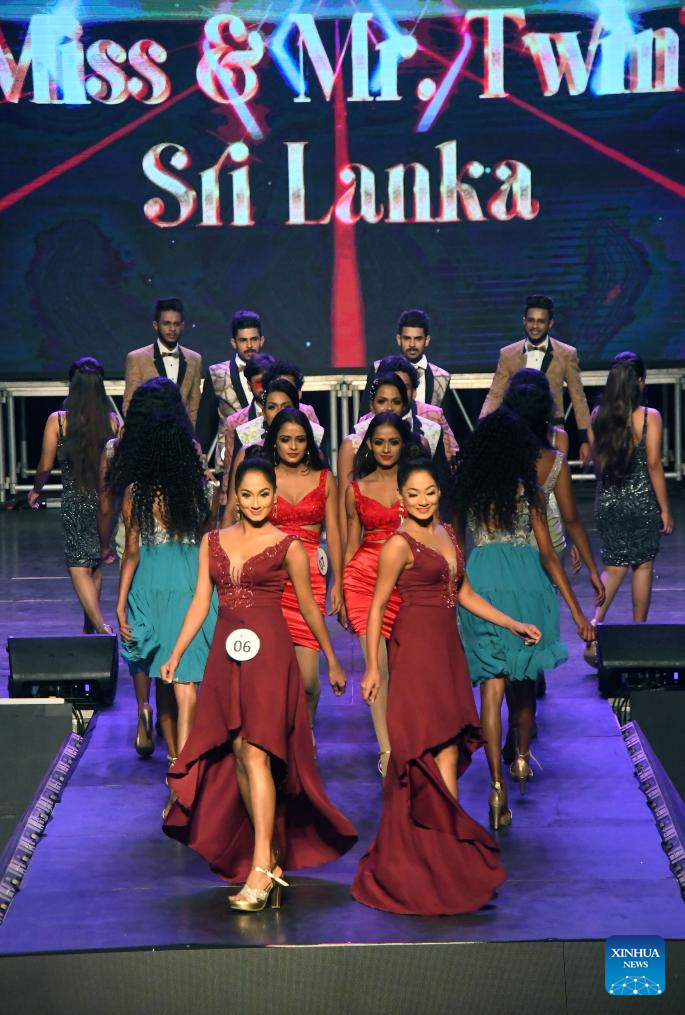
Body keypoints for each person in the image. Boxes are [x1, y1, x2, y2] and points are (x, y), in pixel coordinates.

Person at [161, 453, 357, 911]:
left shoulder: (289, 546)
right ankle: (268, 854)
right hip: (225, 658)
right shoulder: (212, 541)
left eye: (263, 494)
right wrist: (176, 653)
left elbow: (308, 607)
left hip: (270, 657)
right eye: (247, 494)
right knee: (237, 751)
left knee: (256, 751)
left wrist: (331, 659)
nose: (254, 502)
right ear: (235, 495)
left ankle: (262, 867)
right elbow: (200, 602)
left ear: (274, 497)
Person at [352, 454, 541, 914]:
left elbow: (465, 593)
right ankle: (428, 862)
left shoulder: (449, 535)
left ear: (440, 493)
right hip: (414, 654)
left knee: (450, 751)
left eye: (430, 492)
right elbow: (376, 608)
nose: (422, 500)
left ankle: (448, 858)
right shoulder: (397, 545)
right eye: (413, 493)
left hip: (447, 654)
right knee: (424, 748)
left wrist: (512, 622)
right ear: (401, 497)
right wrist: (373, 668)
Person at [453, 410, 594, 823]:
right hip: (527, 583)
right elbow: (548, 554)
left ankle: (496, 787)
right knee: (525, 684)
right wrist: (576, 609)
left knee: (491, 689)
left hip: (482, 581)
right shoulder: (527, 490)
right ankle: (520, 757)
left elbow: (455, 548)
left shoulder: (469, 489)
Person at [108, 378, 216, 802]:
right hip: (191, 580)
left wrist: (120, 604)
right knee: (187, 680)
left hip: (151, 582)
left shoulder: (136, 491)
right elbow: (208, 538)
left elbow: (132, 550)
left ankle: (175, 763)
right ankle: (188, 768)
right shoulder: (200, 487)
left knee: (162, 680)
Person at [342, 412, 418, 776]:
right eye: (379, 442)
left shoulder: (416, 484)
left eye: (393, 442)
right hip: (364, 581)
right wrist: (343, 593)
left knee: (408, 669)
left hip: (407, 578)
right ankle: (387, 752)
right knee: (379, 666)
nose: (386, 449)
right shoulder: (355, 489)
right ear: (369, 446)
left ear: (404, 445)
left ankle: (408, 740)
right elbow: (350, 542)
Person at [586, 353, 674, 656]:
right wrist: (665, 509)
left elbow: (599, 464)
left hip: (608, 500)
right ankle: (639, 634)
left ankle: (594, 625)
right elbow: (653, 464)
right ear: (639, 382)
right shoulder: (650, 416)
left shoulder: (598, 415)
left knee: (613, 568)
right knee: (643, 566)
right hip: (641, 502)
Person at [260, 409, 342, 727]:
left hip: (310, 578)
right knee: (273, 675)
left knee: (308, 680)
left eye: (299, 439)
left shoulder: (324, 479)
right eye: (285, 440)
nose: (293, 446)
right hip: (272, 577)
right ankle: (285, 739)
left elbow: (334, 533)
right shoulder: (264, 478)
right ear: (274, 442)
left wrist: (338, 582)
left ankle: (305, 733)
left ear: (309, 441)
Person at [28, 357, 119, 633]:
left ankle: (100, 626)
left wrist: (36, 490)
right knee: (94, 564)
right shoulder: (113, 422)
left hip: (76, 501)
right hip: (105, 501)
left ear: (72, 385)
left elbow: (45, 466)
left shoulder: (59, 421)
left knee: (78, 566)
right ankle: (89, 630)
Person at [480, 295, 592, 465]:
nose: (535, 326)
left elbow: (578, 397)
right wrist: (482, 428)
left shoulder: (566, 354)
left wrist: (585, 439)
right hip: (517, 430)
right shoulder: (508, 354)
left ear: (550, 323)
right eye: (531, 320)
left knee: (553, 477)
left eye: (541, 321)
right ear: (524, 321)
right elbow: (495, 395)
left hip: (552, 431)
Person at [225, 378, 324, 519]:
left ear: (297, 410)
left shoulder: (311, 451)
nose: (279, 412)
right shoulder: (248, 451)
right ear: (264, 413)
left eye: (285, 406)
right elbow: (231, 508)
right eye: (272, 407)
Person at [360, 309, 460, 433]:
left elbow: (445, 426)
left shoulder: (440, 377)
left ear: (427, 340)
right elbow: (364, 416)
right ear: (399, 339)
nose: (412, 344)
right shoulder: (378, 369)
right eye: (407, 338)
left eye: (418, 339)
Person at [358, 355, 458, 459]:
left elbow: (451, 458)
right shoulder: (361, 429)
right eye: (392, 386)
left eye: (404, 387)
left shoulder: (433, 425)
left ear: (414, 392)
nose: (397, 393)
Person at [195, 309, 266, 457]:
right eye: (243, 340)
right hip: (228, 457)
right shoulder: (217, 374)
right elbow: (205, 428)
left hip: (267, 456)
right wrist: (201, 463)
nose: (249, 345)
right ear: (234, 343)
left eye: (254, 339)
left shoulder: (274, 372)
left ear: (262, 340)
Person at [122, 298, 202, 425]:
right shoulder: (137, 358)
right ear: (156, 325)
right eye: (166, 324)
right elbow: (130, 404)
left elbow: (194, 407)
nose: (172, 329)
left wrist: (190, 433)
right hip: (149, 433)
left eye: (176, 324)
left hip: (182, 434)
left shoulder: (194, 359)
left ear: (182, 326)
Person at [219, 352, 276, 472]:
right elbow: (230, 470)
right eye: (259, 383)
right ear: (249, 385)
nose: (265, 387)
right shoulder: (236, 422)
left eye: (269, 381)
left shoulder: (300, 413)